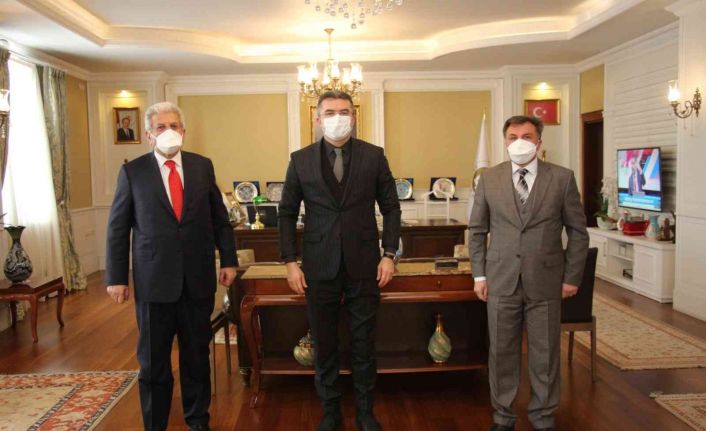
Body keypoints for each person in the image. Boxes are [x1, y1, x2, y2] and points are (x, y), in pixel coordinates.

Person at [105, 102, 237, 431]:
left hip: (197, 280)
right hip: (154, 283)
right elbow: (118, 228)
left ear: (183, 131)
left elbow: (220, 220)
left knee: (197, 359)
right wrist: (117, 278)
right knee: (153, 364)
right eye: (161, 127)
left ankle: (198, 421)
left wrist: (229, 260)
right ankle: (155, 424)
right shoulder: (133, 172)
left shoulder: (202, 166)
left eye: (174, 126)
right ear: (149, 135)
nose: (168, 132)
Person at [278, 90, 401, 431]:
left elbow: (391, 208)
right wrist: (290, 261)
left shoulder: (374, 156)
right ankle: (330, 412)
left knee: (364, 343)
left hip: (366, 264)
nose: (338, 118)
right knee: (324, 344)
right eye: (330, 112)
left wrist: (389, 254)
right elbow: (286, 213)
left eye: (344, 111)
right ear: (318, 119)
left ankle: (365, 412)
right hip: (318, 265)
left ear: (354, 116)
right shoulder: (300, 160)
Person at [468, 115, 588, 431]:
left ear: (539, 142)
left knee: (545, 354)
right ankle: (503, 416)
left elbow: (578, 232)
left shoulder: (562, 178)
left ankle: (543, 416)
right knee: (501, 353)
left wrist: (571, 277)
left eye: (527, 136)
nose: (519, 142)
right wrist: (479, 275)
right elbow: (477, 230)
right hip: (500, 279)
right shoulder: (489, 179)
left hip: (546, 281)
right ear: (505, 141)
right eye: (513, 136)